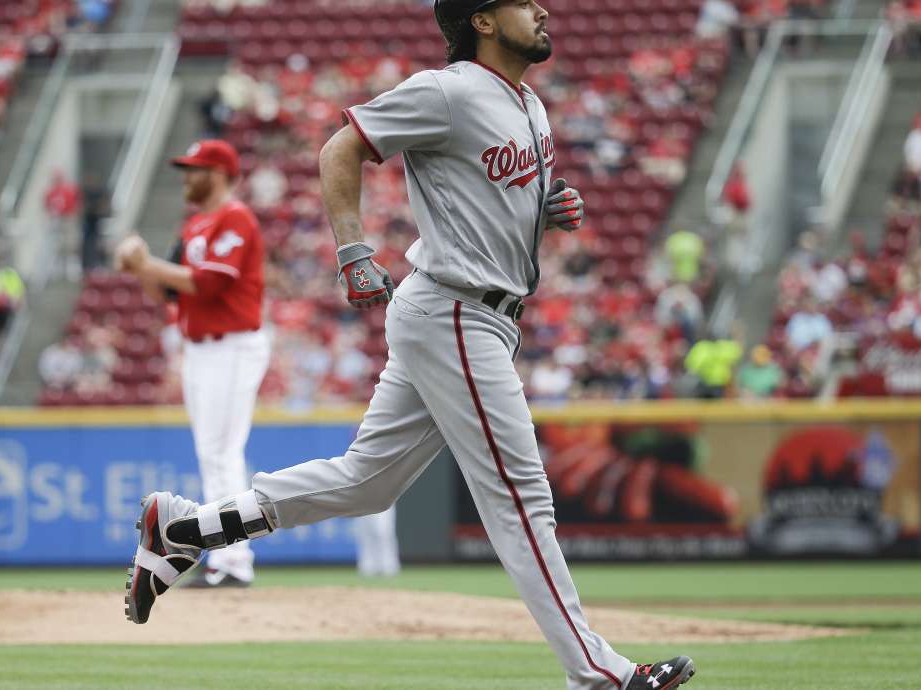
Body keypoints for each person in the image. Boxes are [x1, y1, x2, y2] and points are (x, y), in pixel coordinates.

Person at [120, 3, 696, 689]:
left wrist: (546, 205)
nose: (541, 9)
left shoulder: (531, 103)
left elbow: (490, 195)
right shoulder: (447, 89)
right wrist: (353, 247)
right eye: (521, 1)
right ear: (481, 20)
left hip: (474, 315)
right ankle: (599, 674)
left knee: (367, 482)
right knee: (520, 498)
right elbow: (342, 146)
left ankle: (189, 529)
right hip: (454, 309)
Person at [115, 139, 270, 589]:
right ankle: (226, 559)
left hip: (234, 345)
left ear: (219, 173)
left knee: (223, 452)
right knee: (212, 453)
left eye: (195, 169)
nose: (186, 177)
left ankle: (234, 562)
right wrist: (139, 268)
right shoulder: (196, 225)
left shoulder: (234, 217)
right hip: (201, 348)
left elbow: (210, 283)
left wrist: (148, 261)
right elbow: (166, 293)